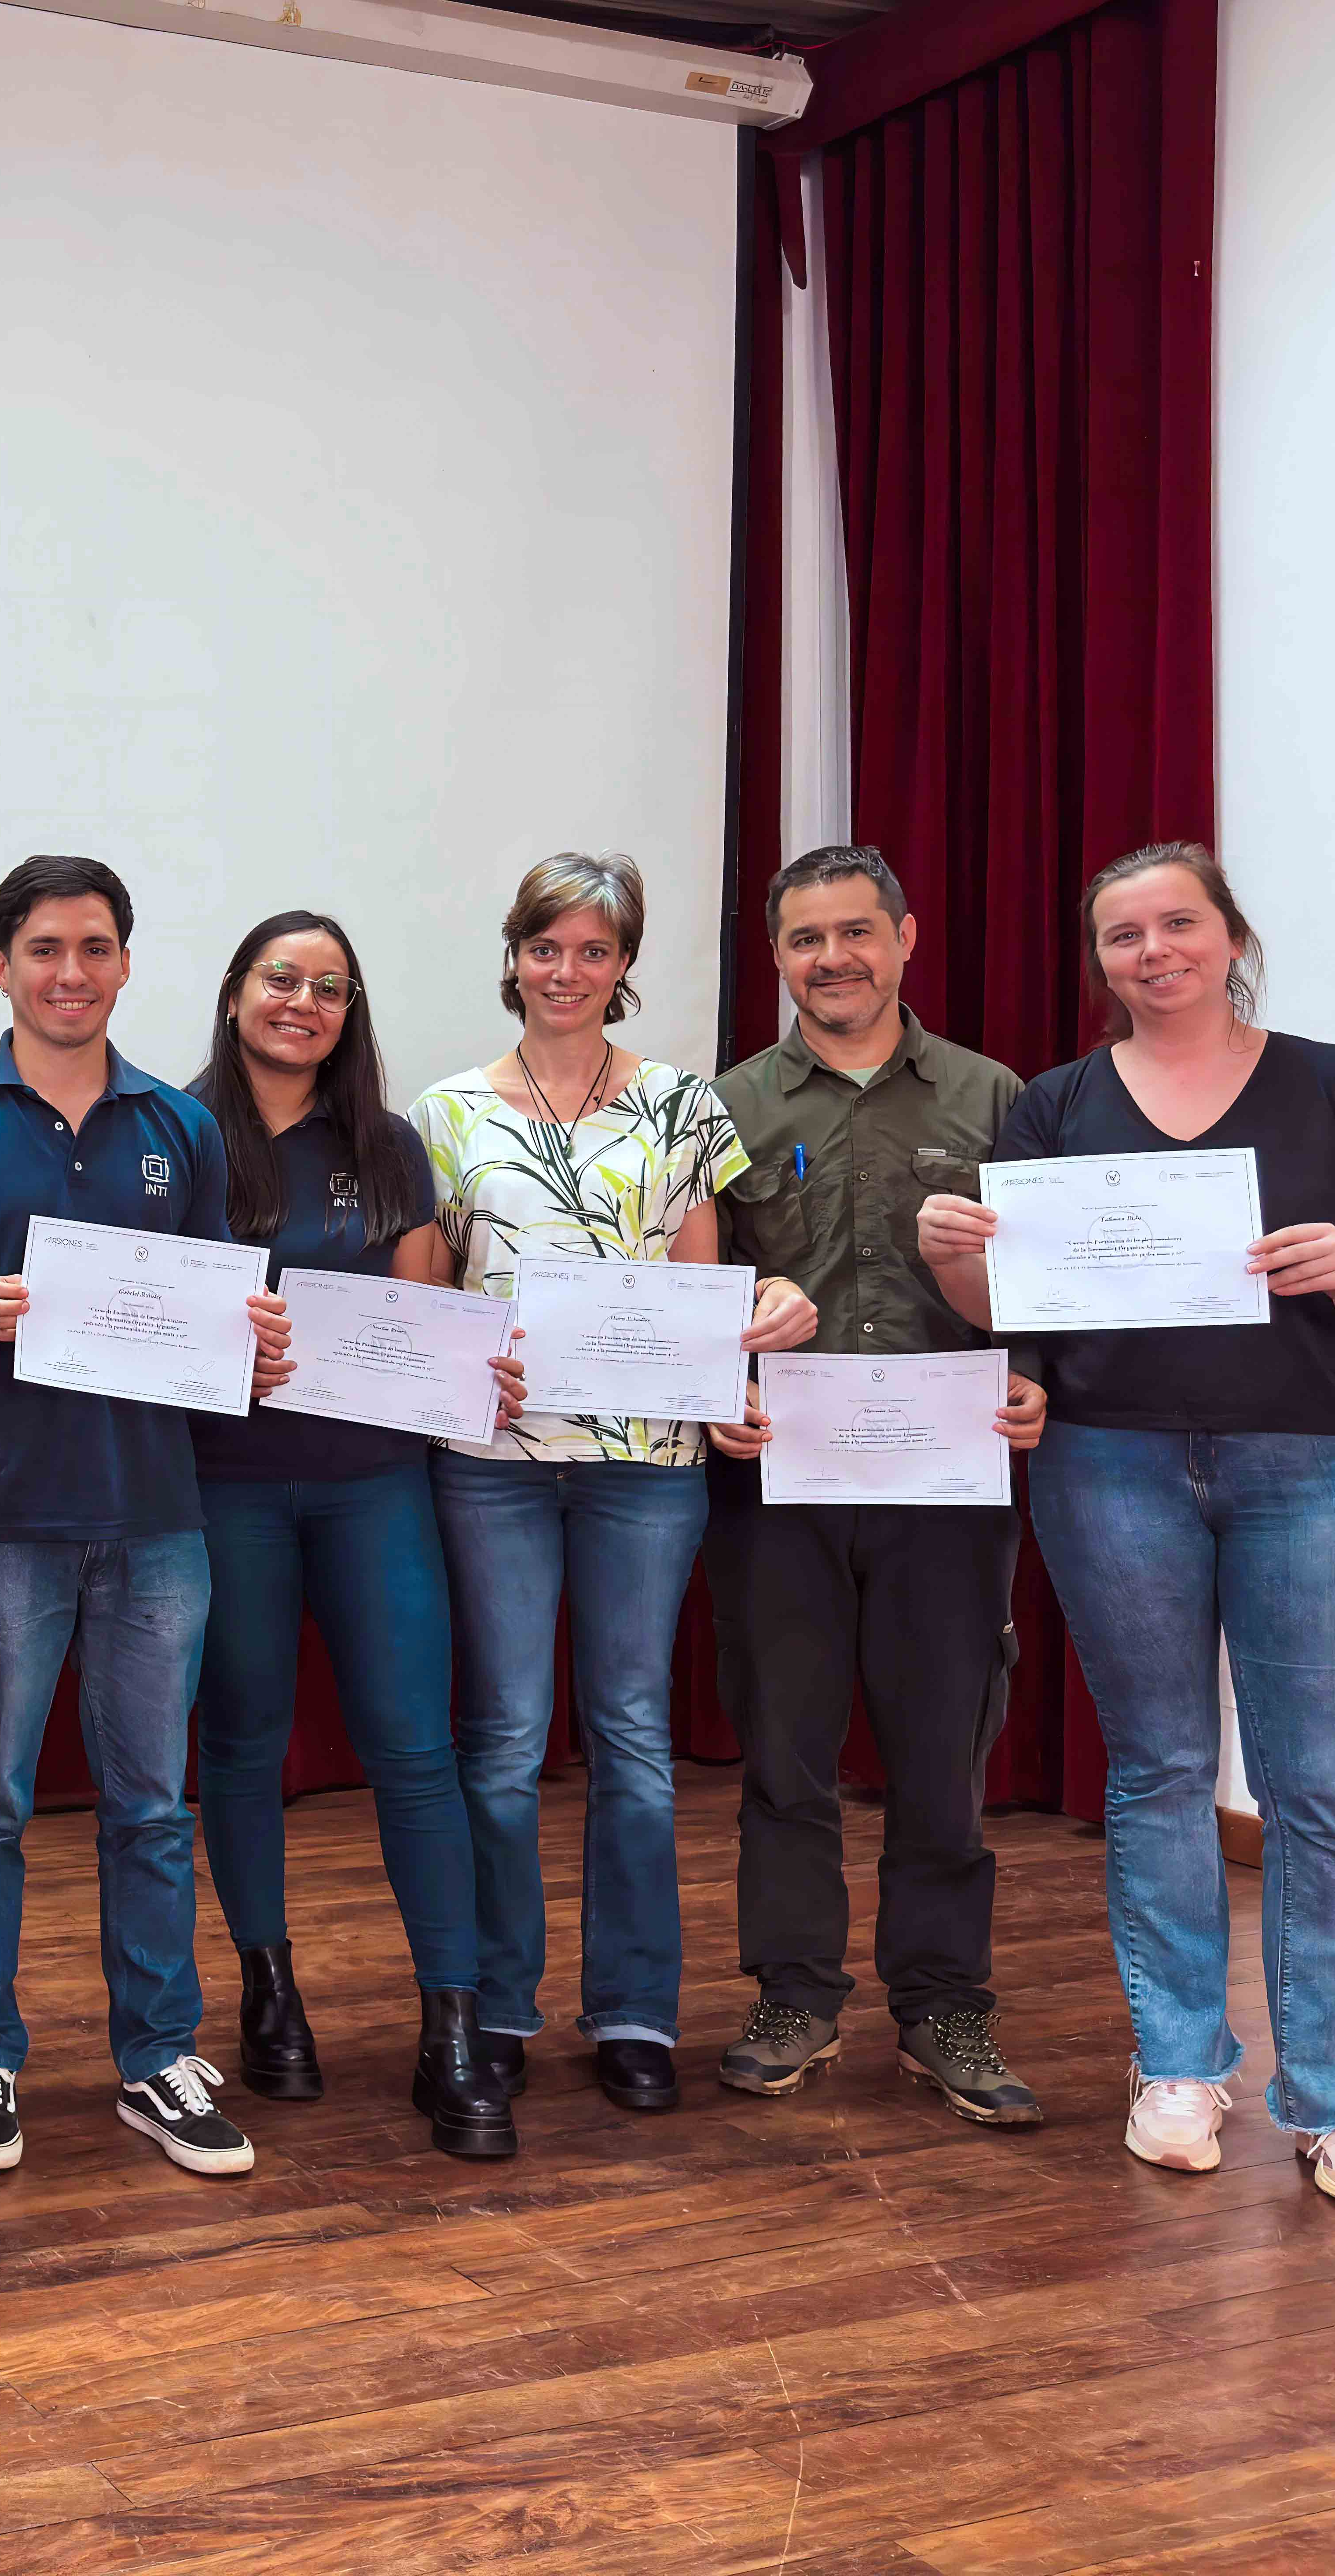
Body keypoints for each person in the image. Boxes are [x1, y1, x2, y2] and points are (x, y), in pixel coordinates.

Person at [923, 843, 1335, 2210]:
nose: (1154, 952)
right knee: (1155, 1772)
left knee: (1318, 1792)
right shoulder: (1052, 1106)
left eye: (1178, 925)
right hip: (1111, 1468)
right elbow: (1005, 1320)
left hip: (1312, 1467)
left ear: (1229, 934)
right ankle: (1179, 2068)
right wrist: (951, 1255)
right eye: (1123, 936)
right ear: (1100, 964)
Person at [0, 855, 291, 2181]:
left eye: (96, 949)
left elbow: (217, 1322)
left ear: (124, 965)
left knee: (151, 1807)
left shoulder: (182, 1128)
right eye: (45, 949)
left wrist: (257, 1349)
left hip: (158, 1518)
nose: (71, 972)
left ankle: (155, 2054)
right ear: (2, 966)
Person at [410, 853, 813, 2116]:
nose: (568, 972)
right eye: (547, 948)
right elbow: (425, 1304)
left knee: (636, 1741)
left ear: (625, 966)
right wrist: (466, 1376)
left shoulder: (689, 1107)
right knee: (506, 1740)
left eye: (594, 951)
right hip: (496, 1466)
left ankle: (636, 2011)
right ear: (514, 955)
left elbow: (702, 1289)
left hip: (648, 1467)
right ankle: (503, 2006)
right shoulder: (446, 1112)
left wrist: (730, 1385)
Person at [702, 846, 1049, 2124]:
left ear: (904, 939)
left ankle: (945, 2006)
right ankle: (794, 1992)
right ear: (779, 958)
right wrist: (721, 1385)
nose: (833, 958)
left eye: (857, 932)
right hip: (777, 1482)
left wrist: (1035, 1382)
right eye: (806, 939)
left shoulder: (996, 1095)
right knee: (786, 1752)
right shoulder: (726, 1108)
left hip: (949, 1485)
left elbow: (1044, 1279)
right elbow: (697, 1286)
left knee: (941, 1756)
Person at [183, 911, 518, 2161]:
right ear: (234, 995)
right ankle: (269, 1988)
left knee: (413, 1747)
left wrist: (482, 1366)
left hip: (373, 1483)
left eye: (329, 987)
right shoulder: (171, 1136)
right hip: (225, 1486)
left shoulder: (386, 1146)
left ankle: (454, 2028)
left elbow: (428, 1312)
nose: (303, 1003)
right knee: (245, 1738)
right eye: (281, 979)